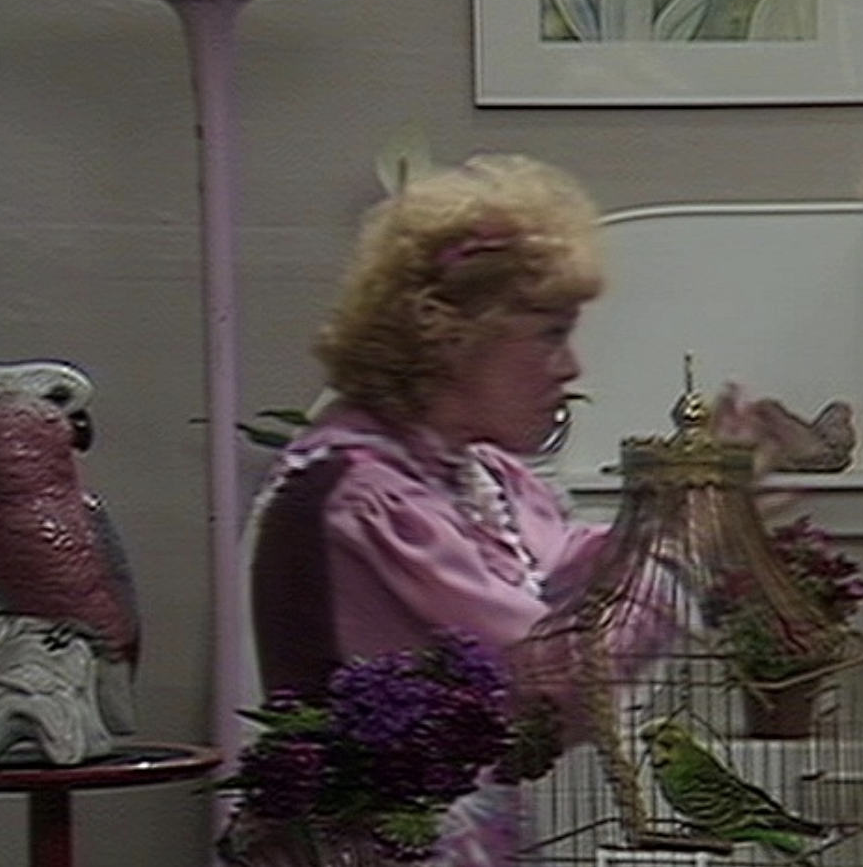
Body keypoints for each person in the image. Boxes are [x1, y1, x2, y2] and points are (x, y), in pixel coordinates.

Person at [244, 152, 634, 866]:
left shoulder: (479, 476)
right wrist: (677, 568)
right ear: (451, 333)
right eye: (551, 332)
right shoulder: (364, 493)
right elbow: (547, 683)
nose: (571, 366)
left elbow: (565, 563)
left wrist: (692, 512)